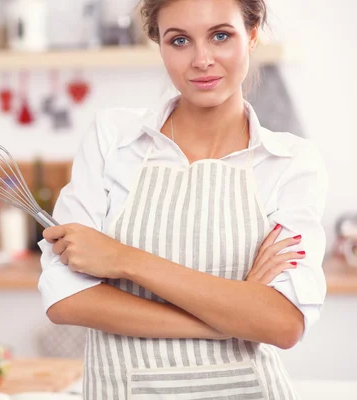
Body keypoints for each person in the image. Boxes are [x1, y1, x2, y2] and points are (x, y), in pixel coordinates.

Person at [37, 0, 329, 399]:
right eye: (180, 41)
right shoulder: (115, 139)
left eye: (221, 36)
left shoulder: (288, 162)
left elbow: (283, 324)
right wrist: (234, 315)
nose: (202, 59)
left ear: (253, 34)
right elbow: (65, 298)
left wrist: (123, 260)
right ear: (159, 45)